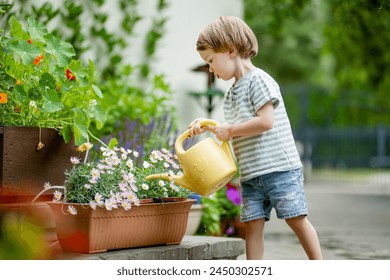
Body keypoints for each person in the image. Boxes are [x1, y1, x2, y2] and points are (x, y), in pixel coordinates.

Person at [188, 16, 322, 260]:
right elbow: (237, 128)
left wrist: (229, 130)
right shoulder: (230, 95)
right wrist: (209, 126)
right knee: (252, 227)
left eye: (211, 60)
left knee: (296, 219)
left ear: (230, 49)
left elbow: (265, 122)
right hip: (251, 175)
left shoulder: (258, 80)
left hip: (280, 169)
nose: (210, 69)